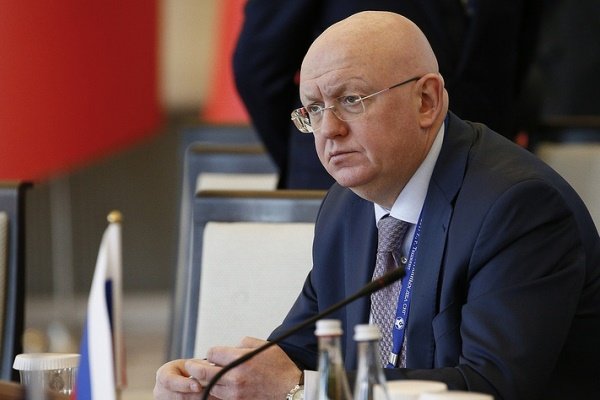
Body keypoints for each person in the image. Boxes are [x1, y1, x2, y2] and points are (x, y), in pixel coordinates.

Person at [155, 11, 600, 400]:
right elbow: (298, 354)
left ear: (426, 101)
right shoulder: (346, 205)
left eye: (351, 101)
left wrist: (306, 389)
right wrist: (211, 380)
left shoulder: (516, 207)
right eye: (314, 109)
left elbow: (488, 388)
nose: (329, 130)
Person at [233, 0, 544, 189]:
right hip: (339, 189)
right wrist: (322, 140)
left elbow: (514, 64)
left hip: (478, 179)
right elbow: (258, 69)